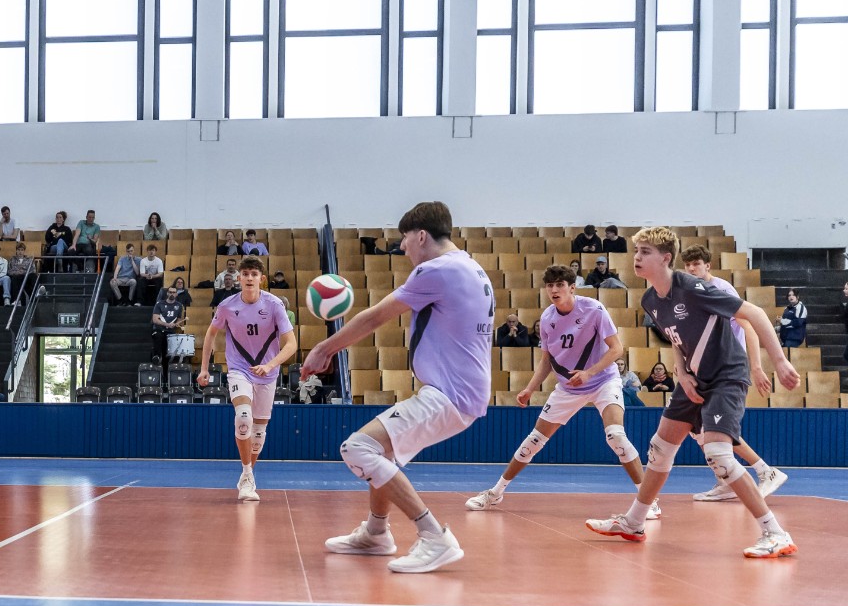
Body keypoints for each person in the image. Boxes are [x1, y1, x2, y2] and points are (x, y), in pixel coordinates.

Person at [302, 201, 492, 574]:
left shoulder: (437, 270)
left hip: (451, 394)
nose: (402, 247)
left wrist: (325, 348)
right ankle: (376, 533)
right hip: (458, 390)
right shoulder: (469, 266)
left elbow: (375, 318)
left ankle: (434, 536)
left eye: (404, 238)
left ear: (421, 236)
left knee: (358, 447)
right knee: (381, 452)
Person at [586, 227, 800, 556]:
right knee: (659, 449)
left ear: (665, 258)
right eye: (636, 251)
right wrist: (682, 371)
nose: (637, 257)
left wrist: (780, 362)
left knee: (718, 454)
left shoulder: (693, 288)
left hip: (726, 376)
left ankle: (776, 533)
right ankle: (634, 522)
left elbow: (754, 314)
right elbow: (676, 337)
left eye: (645, 252)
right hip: (694, 379)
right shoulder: (649, 300)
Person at [466, 264, 659, 516]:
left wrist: (589, 372)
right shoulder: (548, 318)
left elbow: (616, 349)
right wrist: (529, 389)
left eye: (559, 285)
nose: (554, 290)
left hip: (603, 381)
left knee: (615, 436)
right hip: (569, 387)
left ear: (572, 288)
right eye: (550, 285)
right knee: (533, 441)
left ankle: (648, 502)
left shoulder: (594, 309)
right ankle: (495, 493)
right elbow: (547, 360)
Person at [678, 245, 788, 501]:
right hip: (701, 369)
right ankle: (726, 481)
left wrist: (756, 367)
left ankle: (766, 471)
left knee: (717, 429)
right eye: (688, 265)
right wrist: (683, 365)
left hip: (725, 369)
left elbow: (748, 326)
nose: (692, 269)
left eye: (696, 264)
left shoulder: (721, 290)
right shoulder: (688, 293)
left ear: (708, 266)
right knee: (698, 428)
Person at [195, 256, 297, 503]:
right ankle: (248, 475)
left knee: (258, 433)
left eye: (254, 274)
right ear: (239, 278)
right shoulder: (227, 306)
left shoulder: (274, 305)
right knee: (243, 418)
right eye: (245, 274)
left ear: (262, 279)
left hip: (267, 373)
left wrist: (270, 365)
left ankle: (247, 475)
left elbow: (292, 344)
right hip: (239, 369)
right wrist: (204, 368)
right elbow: (211, 335)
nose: (249, 278)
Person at [151, 281, 186, 363]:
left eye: (174, 292)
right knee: (158, 336)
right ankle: (156, 356)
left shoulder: (179, 306)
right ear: (167, 293)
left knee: (170, 340)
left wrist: (177, 323)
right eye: (170, 292)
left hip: (170, 331)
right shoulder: (159, 304)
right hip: (159, 329)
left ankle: (169, 360)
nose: (172, 294)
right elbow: (155, 319)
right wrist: (167, 324)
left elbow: (179, 319)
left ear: (176, 294)